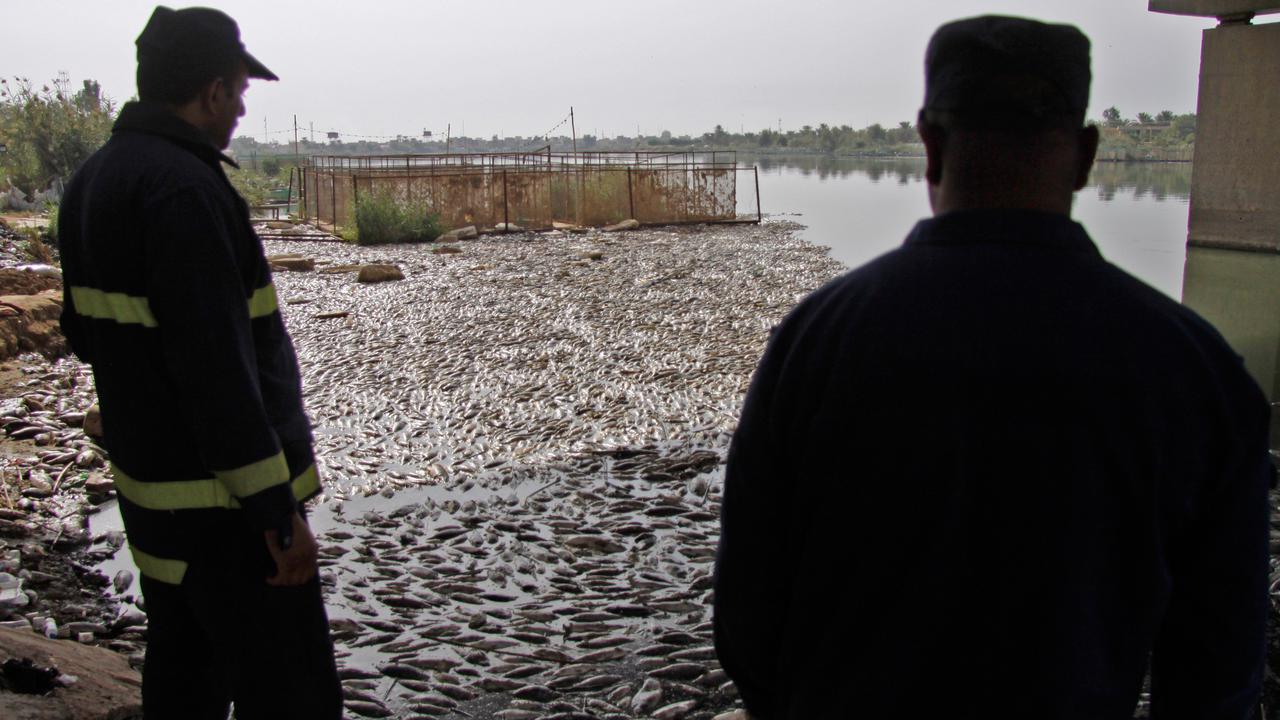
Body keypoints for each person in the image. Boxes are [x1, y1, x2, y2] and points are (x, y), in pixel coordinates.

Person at [713, 15, 1270, 720]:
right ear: (1087, 154)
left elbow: (746, 613)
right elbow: (1219, 667)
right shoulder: (1198, 371)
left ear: (930, 145)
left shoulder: (818, 340)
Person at [58, 7, 342, 718]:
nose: (244, 108)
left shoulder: (93, 180)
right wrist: (276, 518)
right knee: (292, 696)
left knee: (185, 680)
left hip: (153, 509)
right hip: (227, 523)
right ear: (213, 90)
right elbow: (218, 373)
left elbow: (85, 334)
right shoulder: (183, 189)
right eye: (241, 91)